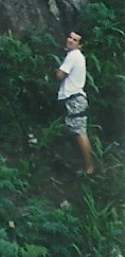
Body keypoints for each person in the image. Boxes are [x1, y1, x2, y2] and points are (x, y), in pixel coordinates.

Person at [55, 30, 94, 175]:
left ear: (80, 45)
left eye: (75, 40)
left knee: (80, 132)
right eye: (70, 37)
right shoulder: (76, 56)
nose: (70, 40)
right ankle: (81, 165)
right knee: (74, 132)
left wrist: (57, 71)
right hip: (73, 98)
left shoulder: (73, 56)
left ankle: (89, 168)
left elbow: (60, 75)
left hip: (74, 98)